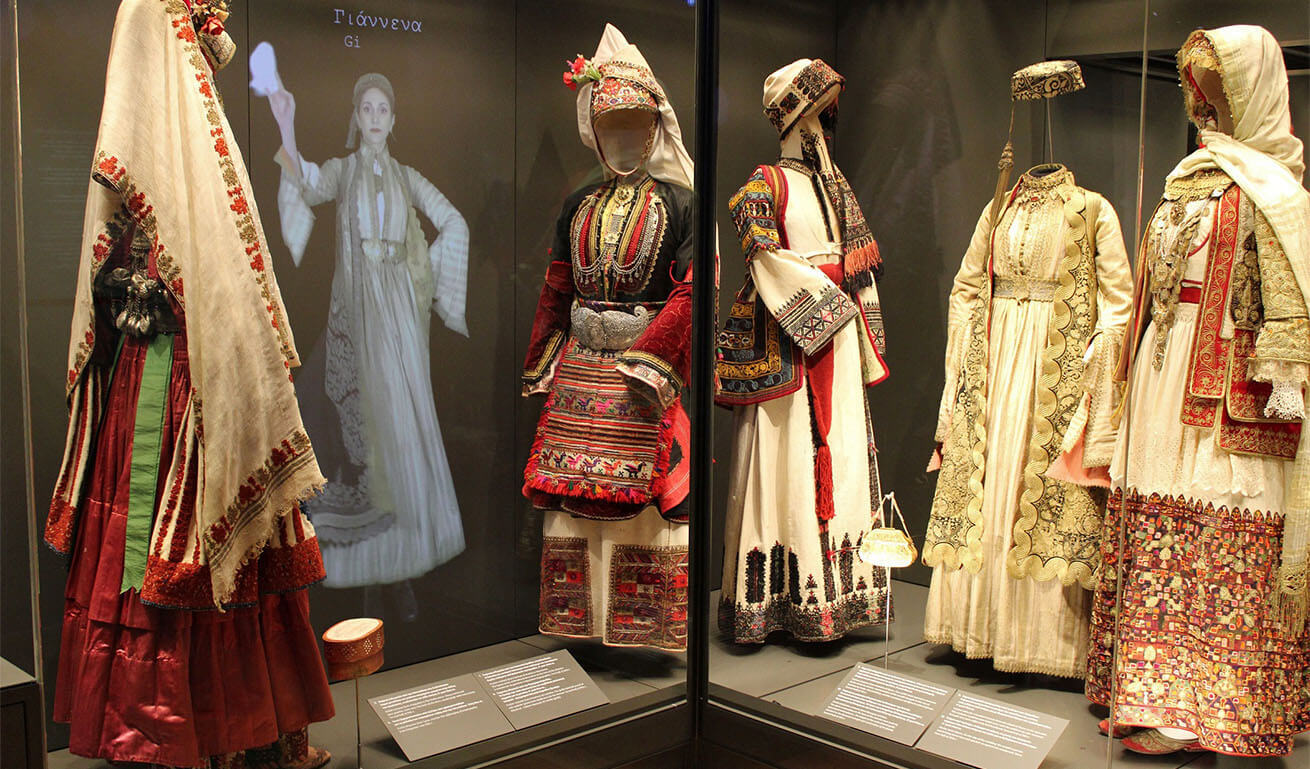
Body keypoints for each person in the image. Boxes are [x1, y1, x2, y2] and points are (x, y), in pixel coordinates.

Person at [46, 2, 333, 766]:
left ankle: (238, 734)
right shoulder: (148, 157)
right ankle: (170, 733)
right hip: (159, 387)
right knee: (157, 560)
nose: (212, 52)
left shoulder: (202, 153)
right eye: (196, 40)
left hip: (193, 386)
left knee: (211, 554)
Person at [1086, 25, 1310, 757]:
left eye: (1216, 94)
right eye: (1199, 94)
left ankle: (1229, 703)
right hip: (1164, 369)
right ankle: (1163, 700)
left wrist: (1283, 379)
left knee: (1229, 524)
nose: (1203, 108)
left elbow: (1288, 296)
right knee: (1161, 523)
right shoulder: (1190, 177)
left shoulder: (1277, 188)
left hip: (1235, 380)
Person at [267, 71, 469, 599]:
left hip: (399, 310)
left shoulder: (407, 177)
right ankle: (377, 560)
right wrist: (286, 125)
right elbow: (306, 184)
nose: (375, 118)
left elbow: (454, 222)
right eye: (367, 110)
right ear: (356, 119)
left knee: (405, 414)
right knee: (370, 414)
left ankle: (412, 545)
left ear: (393, 120)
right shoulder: (344, 171)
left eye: (384, 110)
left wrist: (423, 280)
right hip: (358, 307)